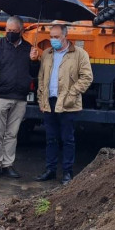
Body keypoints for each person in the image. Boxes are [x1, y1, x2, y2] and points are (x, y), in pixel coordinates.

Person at [31, 22, 93, 184]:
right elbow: (41, 79)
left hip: (68, 103)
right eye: (51, 37)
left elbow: (87, 77)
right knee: (50, 138)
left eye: (56, 37)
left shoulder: (79, 54)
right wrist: (40, 99)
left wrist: (72, 94)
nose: (53, 40)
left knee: (67, 139)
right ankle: (50, 170)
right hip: (49, 102)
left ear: (65, 36)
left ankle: (67, 173)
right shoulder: (46, 54)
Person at [0, 15, 36, 179]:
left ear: (21, 31)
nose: (10, 33)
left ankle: (7, 164)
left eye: (14, 31)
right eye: (8, 30)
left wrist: (34, 60)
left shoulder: (28, 49)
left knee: (12, 133)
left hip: (19, 98)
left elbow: (34, 72)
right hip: (0, 95)